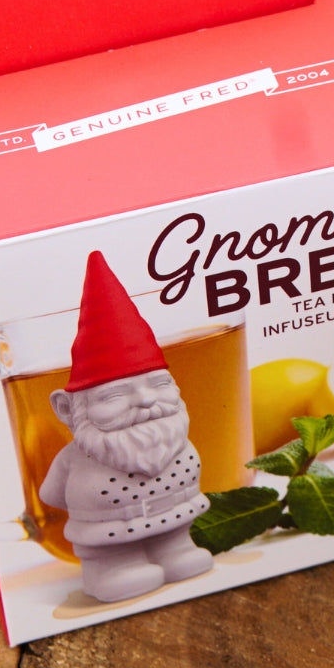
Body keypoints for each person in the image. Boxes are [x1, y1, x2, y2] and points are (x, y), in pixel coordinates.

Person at [40, 251, 213, 603]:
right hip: (106, 540)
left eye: (159, 385)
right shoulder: (75, 458)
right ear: (68, 408)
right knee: (114, 563)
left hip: (175, 521)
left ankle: (175, 553)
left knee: (178, 550)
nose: (148, 402)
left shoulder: (175, 442)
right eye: (115, 396)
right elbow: (51, 496)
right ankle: (112, 572)